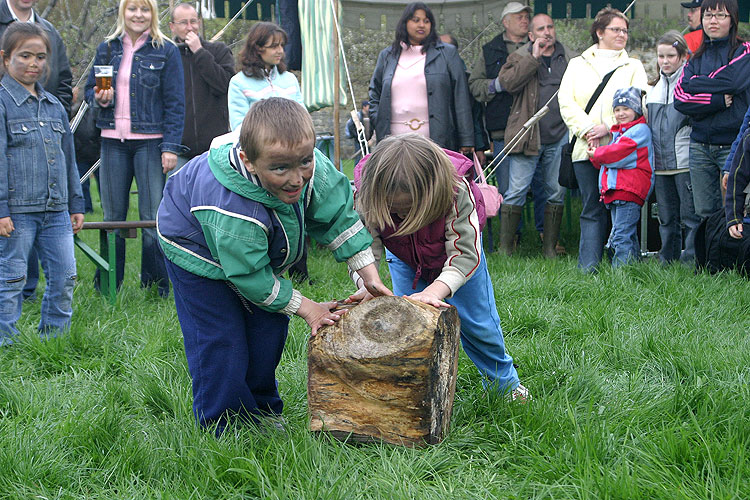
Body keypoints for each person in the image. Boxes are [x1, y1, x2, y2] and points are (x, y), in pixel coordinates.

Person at [157, 98, 390, 433]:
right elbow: (251, 277)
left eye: (304, 163)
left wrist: (367, 276)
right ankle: (223, 424)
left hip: (251, 253)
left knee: (268, 328)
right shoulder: (231, 207)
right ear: (247, 161)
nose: (297, 179)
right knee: (222, 338)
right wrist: (306, 307)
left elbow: (338, 217)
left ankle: (262, 410)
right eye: (280, 169)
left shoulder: (304, 161)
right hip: (196, 250)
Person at [353, 133, 530, 401]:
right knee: (409, 324)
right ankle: (418, 388)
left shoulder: (457, 191)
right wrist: (367, 282)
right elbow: (362, 247)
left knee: (479, 325)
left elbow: (465, 253)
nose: (400, 217)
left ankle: (504, 385)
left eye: (409, 209)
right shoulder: (368, 192)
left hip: (460, 259)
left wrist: (436, 291)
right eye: (393, 210)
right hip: (406, 260)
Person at [85, 0, 185, 298]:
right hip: (112, 141)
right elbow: (92, 90)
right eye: (132, 9)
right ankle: (107, 286)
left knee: (152, 218)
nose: (138, 15)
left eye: (144, 9)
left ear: (152, 14)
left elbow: (175, 103)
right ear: (122, 12)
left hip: (150, 143)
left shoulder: (166, 50)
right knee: (112, 217)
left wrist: (170, 147)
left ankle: (155, 286)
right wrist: (100, 98)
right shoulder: (107, 48)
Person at [0, 22, 84, 344]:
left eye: (40, 57)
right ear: (6, 58)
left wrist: (75, 203)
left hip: (57, 211)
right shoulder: (3, 104)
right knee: (11, 278)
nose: (34, 63)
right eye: (25, 56)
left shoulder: (54, 107)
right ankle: (6, 343)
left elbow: (68, 158)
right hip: (16, 212)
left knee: (64, 276)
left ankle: (54, 339)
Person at [558, 7, 649, 273]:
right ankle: (588, 267)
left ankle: (622, 267)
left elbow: (638, 102)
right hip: (586, 148)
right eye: (616, 29)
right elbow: (566, 102)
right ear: (599, 32)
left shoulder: (633, 65)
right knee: (591, 208)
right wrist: (588, 129)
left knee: (621, 209)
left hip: (622, 150)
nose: (622, 34)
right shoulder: (577, 64)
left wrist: (607, 127)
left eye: (625, 30)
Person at [496, 13, 574, 258]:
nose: (547, 32)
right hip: (528, 134)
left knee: (556, 191)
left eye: (550, 26)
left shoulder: (570, 57)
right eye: (541, 29)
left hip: (560, 135)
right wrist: (534, 57)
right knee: (516, 190)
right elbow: (508, 83)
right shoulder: (519, 56)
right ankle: (505, 250)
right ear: (531, 35)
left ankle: (550, 248)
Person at [674, 0, 750, 220]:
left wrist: (697, 84)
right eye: (708, 16)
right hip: (700, 144)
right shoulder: (694, 57)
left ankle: (734, 255)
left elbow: (735, 82)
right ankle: (707, 255)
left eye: (720, 15)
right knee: (704, 212)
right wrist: (717, 100)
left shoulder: (744, 52)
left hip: (734, 144)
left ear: (732, 20)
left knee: (735, 211)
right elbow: (680, 97)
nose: (713, 21)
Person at [369, 2, 473, 153]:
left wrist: (467, 138)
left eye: (426, 21)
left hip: (437, 142)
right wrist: (378, 119)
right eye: (416, 20)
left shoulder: (447, 53)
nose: (422, 25)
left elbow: (461, 97)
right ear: (405, 23)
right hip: (393, 142)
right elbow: (375, 93)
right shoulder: (387, 55)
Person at [646, 31, 701, 264]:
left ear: (683, 57)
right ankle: (666, 261)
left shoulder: (689, 86)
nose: (665, 61)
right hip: (659, 165)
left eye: (671, 56)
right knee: (666, 218)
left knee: (690, 217)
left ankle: (692, 262)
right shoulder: (652, 88)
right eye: (661, 56)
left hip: (684, 162)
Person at [587, 87, 654, 267]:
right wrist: (594, 154)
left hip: (629, 190)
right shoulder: (618, 133)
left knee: (620, 236)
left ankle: (620, 275)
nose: (621, 113)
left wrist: (598, 153)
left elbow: (617, 154)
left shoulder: (639, 130)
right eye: (617, 110)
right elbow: (606, 162)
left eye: (626, 109)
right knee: (627, 234)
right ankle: (635, 269)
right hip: (616, 191)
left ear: (637, 110)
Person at [469, 1, 530, 194]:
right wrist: (497, 85)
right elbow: (474, 85)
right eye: (519, 17)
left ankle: (542, 226)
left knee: (544, 189)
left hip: (538, 128)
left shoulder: (540, 45)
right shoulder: (489, 50)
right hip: (503, 130)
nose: (525, 20)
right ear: (506, 22)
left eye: (527, 17)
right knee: (507, 189)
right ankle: (512, 226)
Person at [170, 2, 234, 170]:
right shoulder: (167, 56)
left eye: (193, 21)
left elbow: (225, 85)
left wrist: (199, 52)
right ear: (172, 27)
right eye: (183, 23)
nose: (190, 27)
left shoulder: (219, 51)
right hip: (179, 150)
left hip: (214, 148)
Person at [227, 22, 303, 131]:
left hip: (293, 145)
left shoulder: (290, 79)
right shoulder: (238, 83)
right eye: (274, 46)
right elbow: (239, 127)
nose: (280, 51)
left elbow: (303, 118)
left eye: (282, 45)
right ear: (257, 48)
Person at [345, 99, 373, 164]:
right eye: (368, 106)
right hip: (359, 141)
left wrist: (370, 139)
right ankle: (356, 172)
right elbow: (351, 127)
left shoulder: (370, 115)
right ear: (364, 107)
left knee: (368, 158)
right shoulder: (358, 116)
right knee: (358, 158)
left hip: (367, 141)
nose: (369, 107)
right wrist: (357, 137)